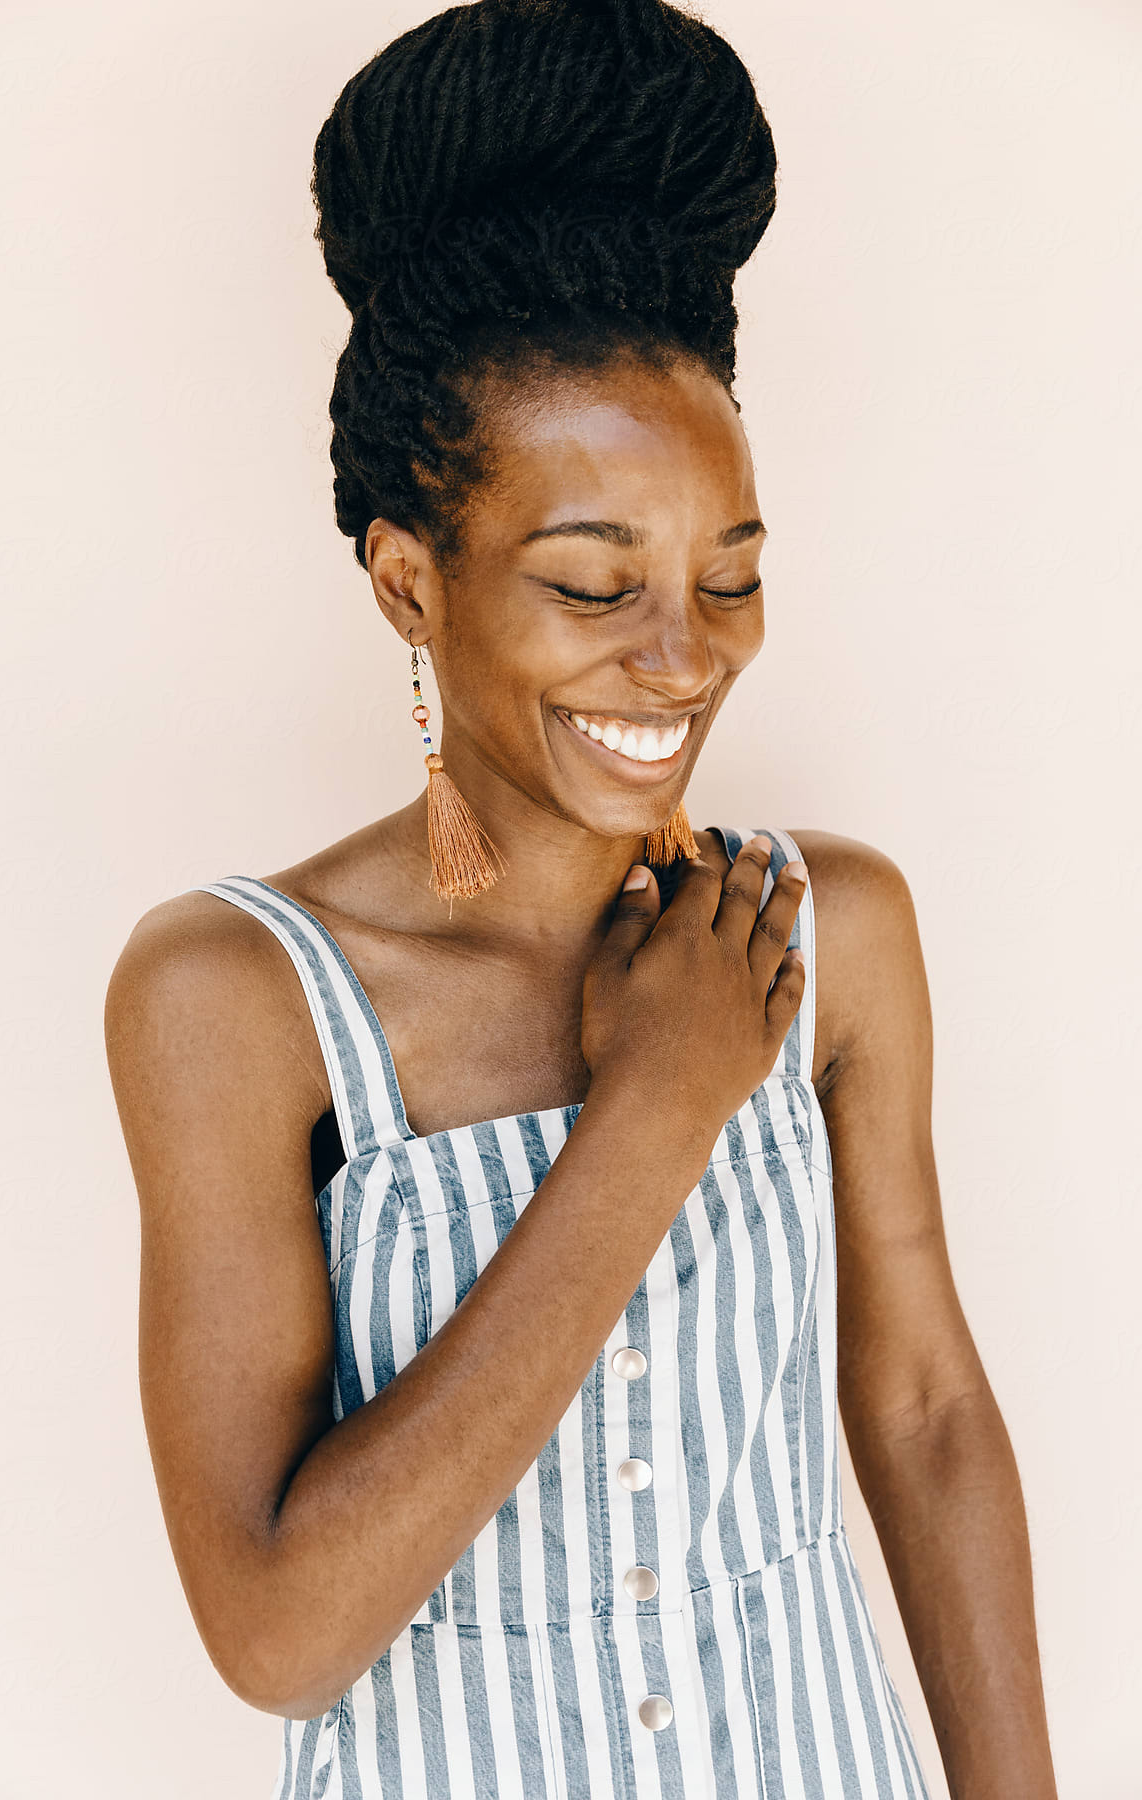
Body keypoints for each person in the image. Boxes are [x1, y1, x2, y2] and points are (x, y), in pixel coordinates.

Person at [103, 1, 1058, 1794]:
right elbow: (278, 1631)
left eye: (732, 574)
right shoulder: (234, 997)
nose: (681, 660)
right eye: (589, 582)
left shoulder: (832, 934)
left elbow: (925, 1418)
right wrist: (657, 1111)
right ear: (410, 580)